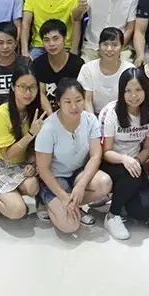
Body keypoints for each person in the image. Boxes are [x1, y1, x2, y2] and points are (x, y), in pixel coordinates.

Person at [35, 78, 113, 234]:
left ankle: (72, 205)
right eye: (67, 102)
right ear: (58, 102)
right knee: (70, 226)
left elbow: (96, 155)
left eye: (78, 100)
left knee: (104, 183)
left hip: (78, 173)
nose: (74, 106)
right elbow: (43, 169)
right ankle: (47, 201)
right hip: (56, 178)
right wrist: (64, 197)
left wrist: (81, 185)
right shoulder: (48, 128)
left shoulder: (90, 120)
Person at [99, 67, 149, 239]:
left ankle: (119, 197)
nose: (134, 95)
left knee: (143, 210)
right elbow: (106, 152)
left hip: (135, 164)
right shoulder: (111, 112)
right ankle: (112, 215)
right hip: (111, 162)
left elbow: (147, 148)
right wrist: (125, 160)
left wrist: (136, 161)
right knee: (132, 175)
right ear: (121, 92)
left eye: (138, 90)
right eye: (128, 91)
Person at [0, 61, 45, 220]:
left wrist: (32, 163)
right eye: (22, 87)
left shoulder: (34, 111)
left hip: (20, 164)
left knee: (33, 187)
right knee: (18, 211)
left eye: (32, 87)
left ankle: (10, 193)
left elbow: (34, 147)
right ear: (12, 87)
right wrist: (30, 133)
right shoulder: (1, 113)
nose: (28, 92)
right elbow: (8, 154)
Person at [32, 20, 85, 112]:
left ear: (65, 39)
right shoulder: (38, 64)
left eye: (56, 39)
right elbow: (40, 93)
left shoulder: (77, 64)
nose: (51, 44)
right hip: (47, 113)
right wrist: (51, 116)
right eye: (46, 40)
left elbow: (80, 95)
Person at [79, 27, 135, 115]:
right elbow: (87, 100)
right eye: (105, 44)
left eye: (114, 45)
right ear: (99, 46)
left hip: (122, 116)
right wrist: (93, 122)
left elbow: (132, 100)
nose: (109, 49)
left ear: (122, 47)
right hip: (94, 116)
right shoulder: (87, 69)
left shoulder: (129, 70)